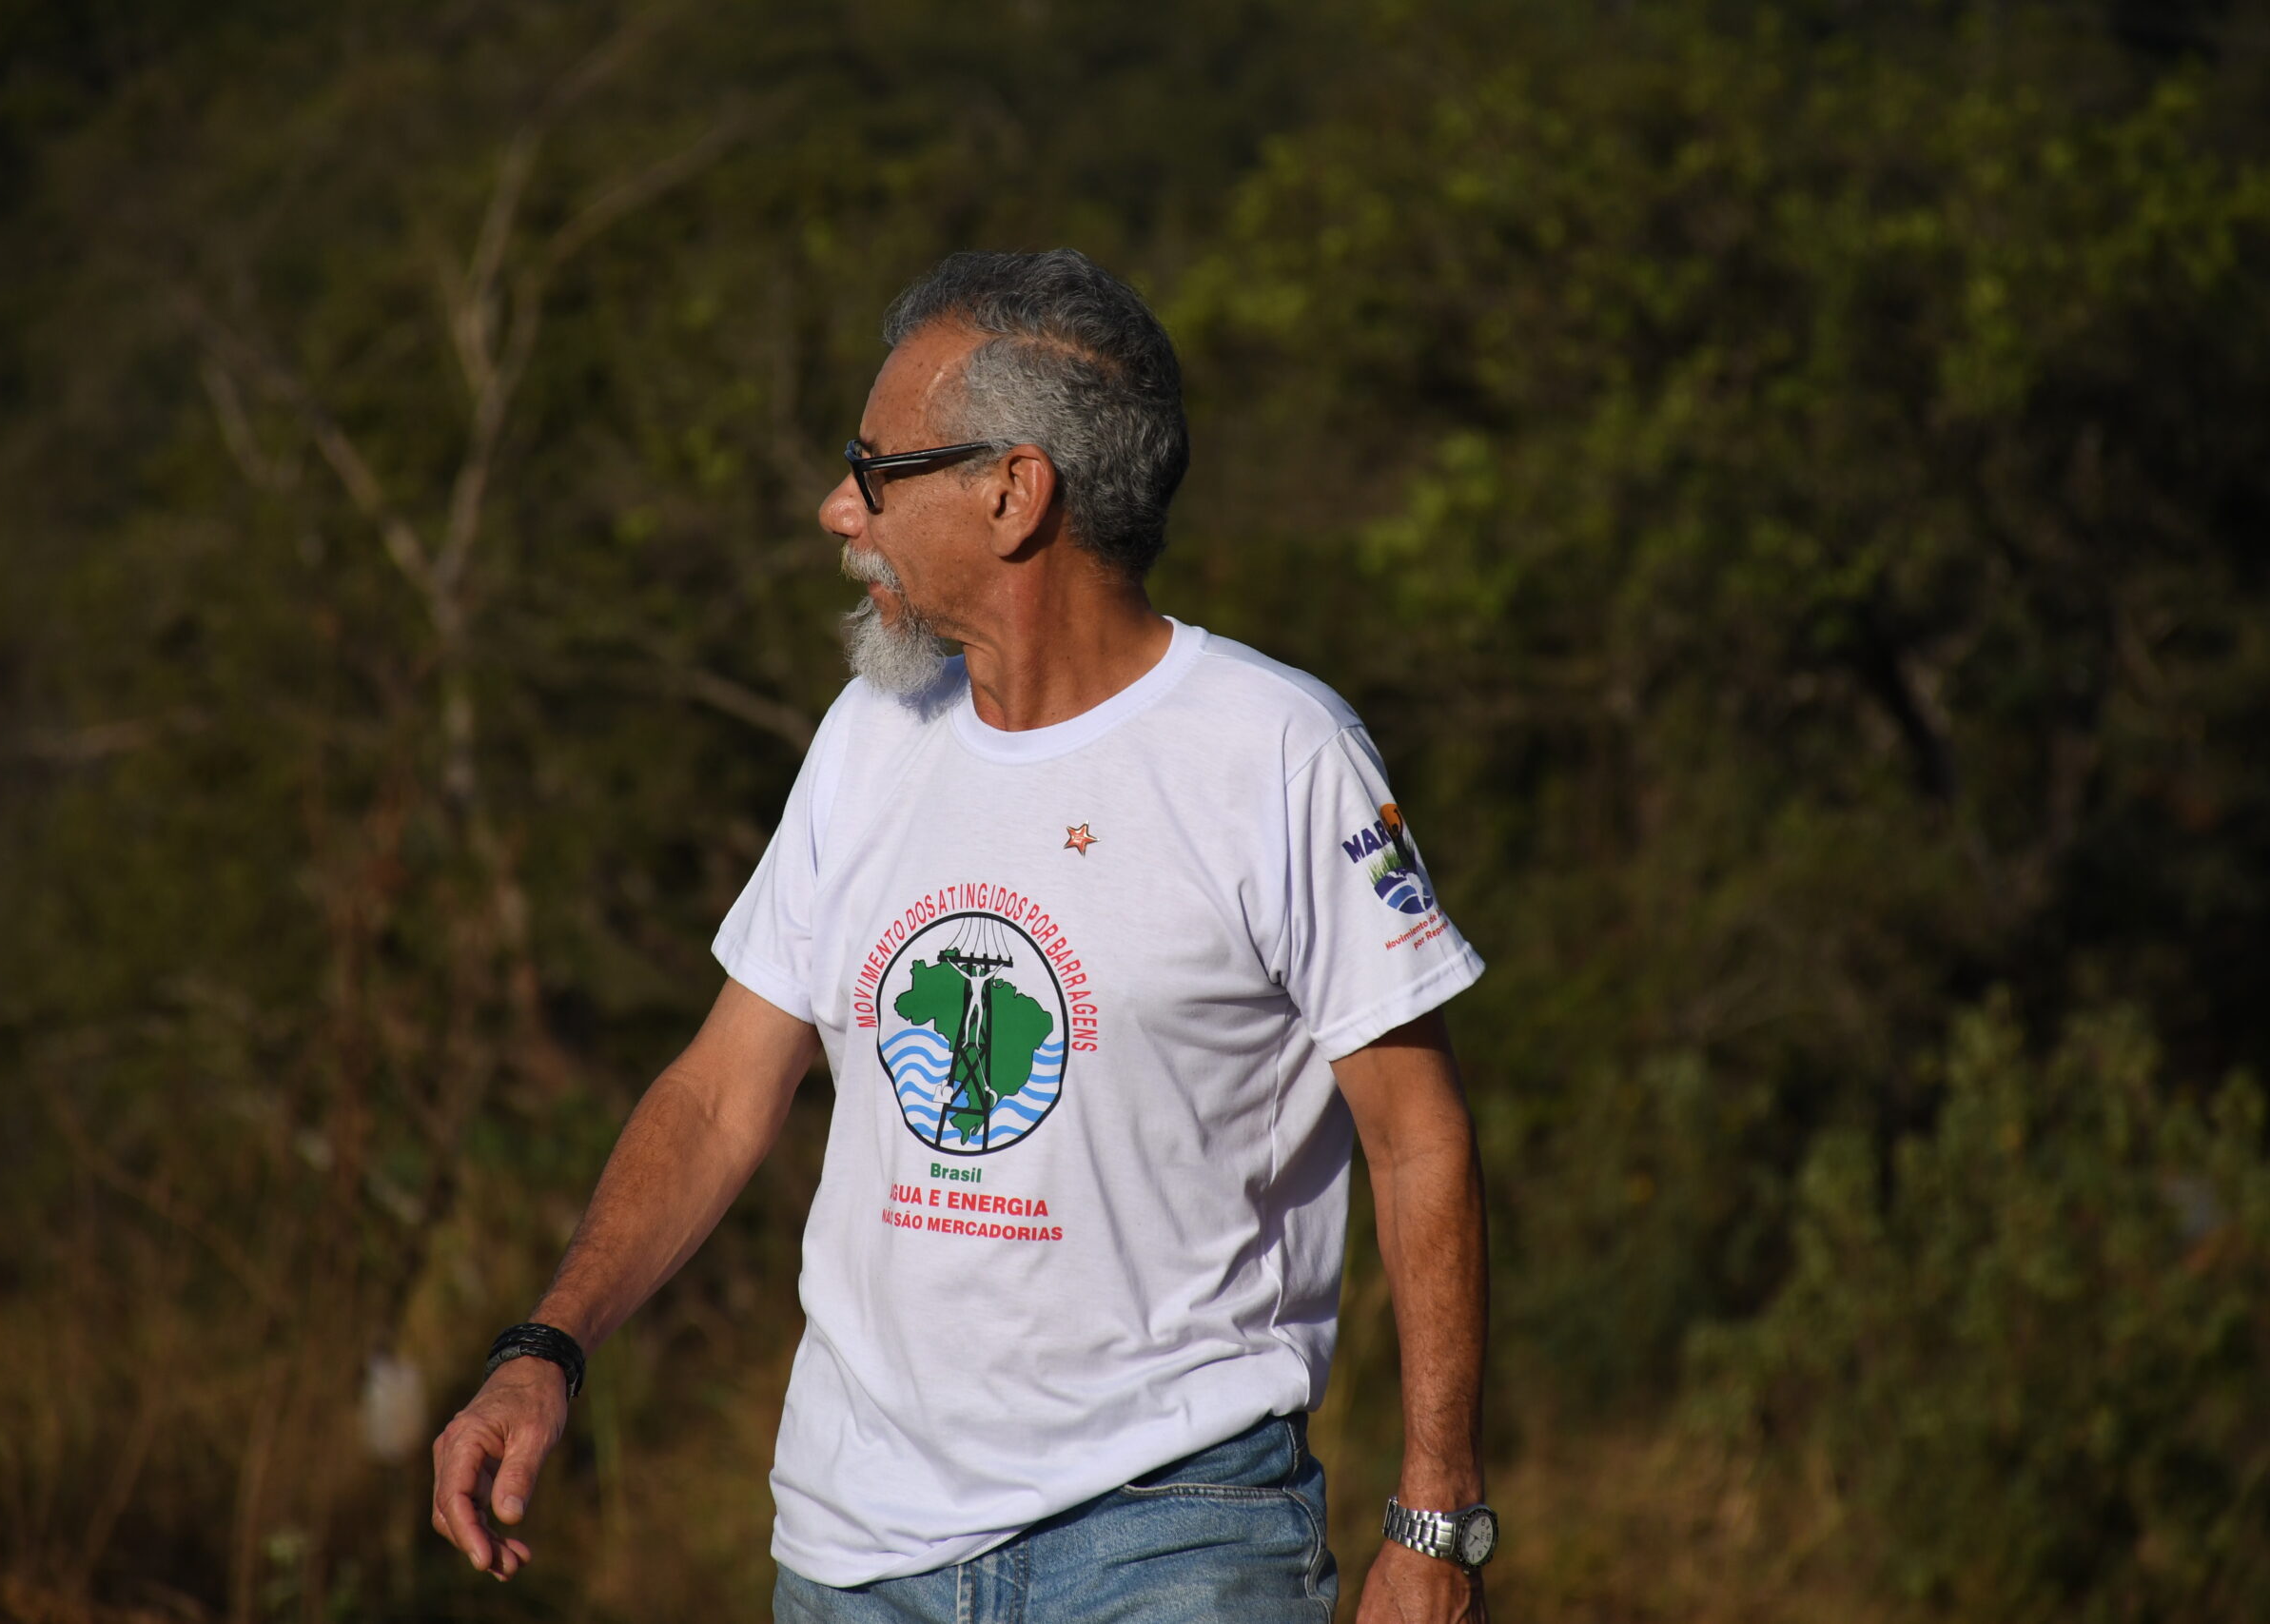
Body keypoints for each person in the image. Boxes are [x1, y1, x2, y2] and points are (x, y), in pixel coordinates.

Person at [430, 249, 1495, 1623]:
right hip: (854, 1557)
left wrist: (1436, 1519)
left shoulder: (1280, 753)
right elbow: (718, 1095)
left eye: (877, 471)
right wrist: (546, 1346)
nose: (838, 510)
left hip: (1174, 1544)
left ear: (1013, 493)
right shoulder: (871, 735)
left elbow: (1420, 1139)